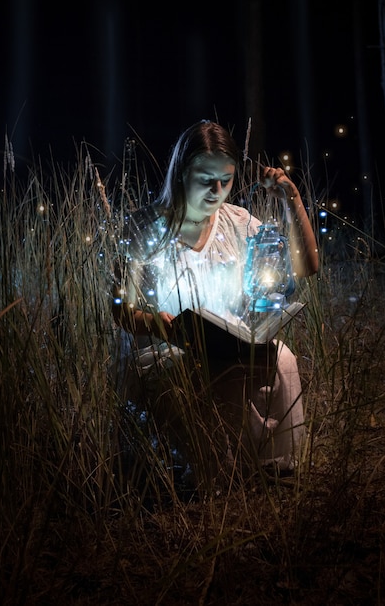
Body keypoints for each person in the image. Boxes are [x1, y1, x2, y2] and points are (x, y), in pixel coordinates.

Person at [112, 120, 318, 484]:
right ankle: (217, 471)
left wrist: (292, 198)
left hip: (228, 341)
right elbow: (119, 307)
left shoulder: (237, 222)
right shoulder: (145, 228)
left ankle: (275, 465)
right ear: (181, 173)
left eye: (226, 180)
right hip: (167, 348)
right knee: (213, 373)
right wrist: (155, 323)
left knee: (281, 356)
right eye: (206, 179)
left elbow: (308, 266)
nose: (217, 190)